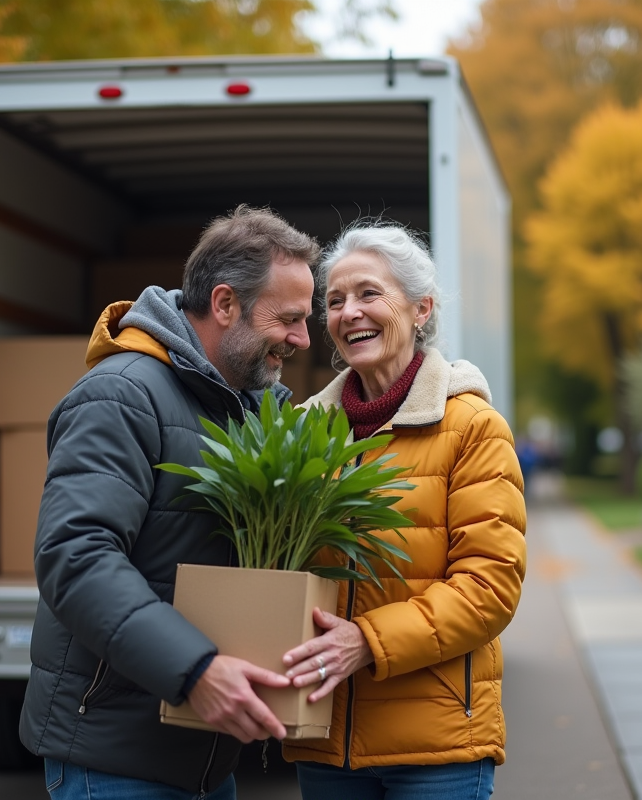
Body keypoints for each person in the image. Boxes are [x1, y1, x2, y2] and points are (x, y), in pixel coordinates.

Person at [19, 206, 319, 800]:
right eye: (288, 319)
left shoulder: (246, 409)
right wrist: (195, 670)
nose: (303, 339)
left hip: (204, 760)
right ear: (225, 303)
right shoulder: (121, 394)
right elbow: (75, 556)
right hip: (117, 763)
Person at [280, 223, 527, 799]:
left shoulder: (471, 427)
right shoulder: (302, 433)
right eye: (334, 301)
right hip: (325, 741)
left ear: (422, 308)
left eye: (369, 293)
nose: (349, 313)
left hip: (436, 747)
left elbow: (490, 586)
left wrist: (367, 641)